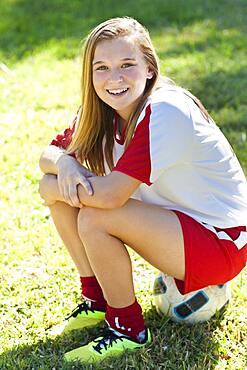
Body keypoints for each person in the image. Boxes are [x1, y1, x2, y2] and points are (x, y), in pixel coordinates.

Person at [39, 16, 247, 364]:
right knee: (65, 196)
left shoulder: (166, 111)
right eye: (101, 67)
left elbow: (110, 198)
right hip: (178, 224)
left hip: (222, 241)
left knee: (94, 216)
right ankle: (96, 300)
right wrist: (63, 165)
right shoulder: (105, 109)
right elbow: (49, 156)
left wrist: (56, 183)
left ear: (149, 68)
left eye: (127, 65)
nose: (114, 78)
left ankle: (128, 329)